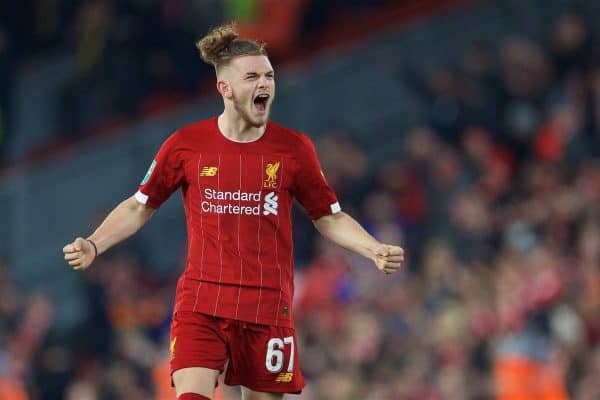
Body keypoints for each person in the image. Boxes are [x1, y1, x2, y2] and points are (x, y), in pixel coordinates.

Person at [62, 22, 404, 400]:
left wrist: (372, 247)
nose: (265, 84)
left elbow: (329, 217)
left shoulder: (294, 150)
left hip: (267, 308)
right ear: (224, 88)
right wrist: (94, 244)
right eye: (253, 76)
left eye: (269, 75)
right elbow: (138, 206)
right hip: (201, 303)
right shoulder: (185, 145)